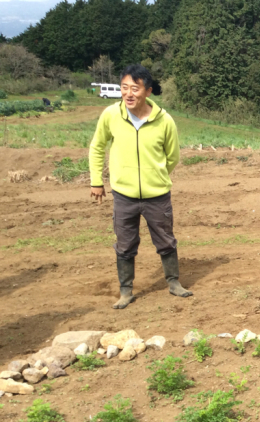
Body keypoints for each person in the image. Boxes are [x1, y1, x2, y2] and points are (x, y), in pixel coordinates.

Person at [88, 64, 192, 309]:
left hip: (158, 196)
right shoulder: (111, 115)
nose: (128, 93)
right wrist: (96, 180)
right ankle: (126, 291)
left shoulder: (164, 121)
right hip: (123, 195)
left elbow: (173, 156)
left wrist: (156, 176)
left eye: (135, 88)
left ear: (148, 91)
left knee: (166, 240)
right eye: (124, 88)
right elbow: (97, 146)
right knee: (125, 244)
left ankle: (174, 283)